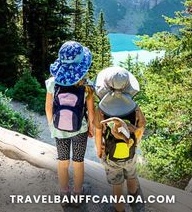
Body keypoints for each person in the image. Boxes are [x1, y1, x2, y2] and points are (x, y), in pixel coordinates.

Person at [45, 41, 94, 202]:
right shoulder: (86, 85)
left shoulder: (52, 82)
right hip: (80, 129)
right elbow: (91, 111)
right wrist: (91, 127)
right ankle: (78, 193)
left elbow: (48, 108)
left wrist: (53, 126)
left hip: (59, 129)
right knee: (78, 161)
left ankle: (64, 192)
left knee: (62, 161)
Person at [94, 66, 146, 212]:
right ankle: (136, 205)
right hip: (130, 152)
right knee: (131, 177)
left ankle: (119, 209)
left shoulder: (101, 109)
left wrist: (99, 151)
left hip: (110, 155)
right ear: (127, 86)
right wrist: (136, 142)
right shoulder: (134, 107)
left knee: (117, 184)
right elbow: (141, 126)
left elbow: (98, 132)